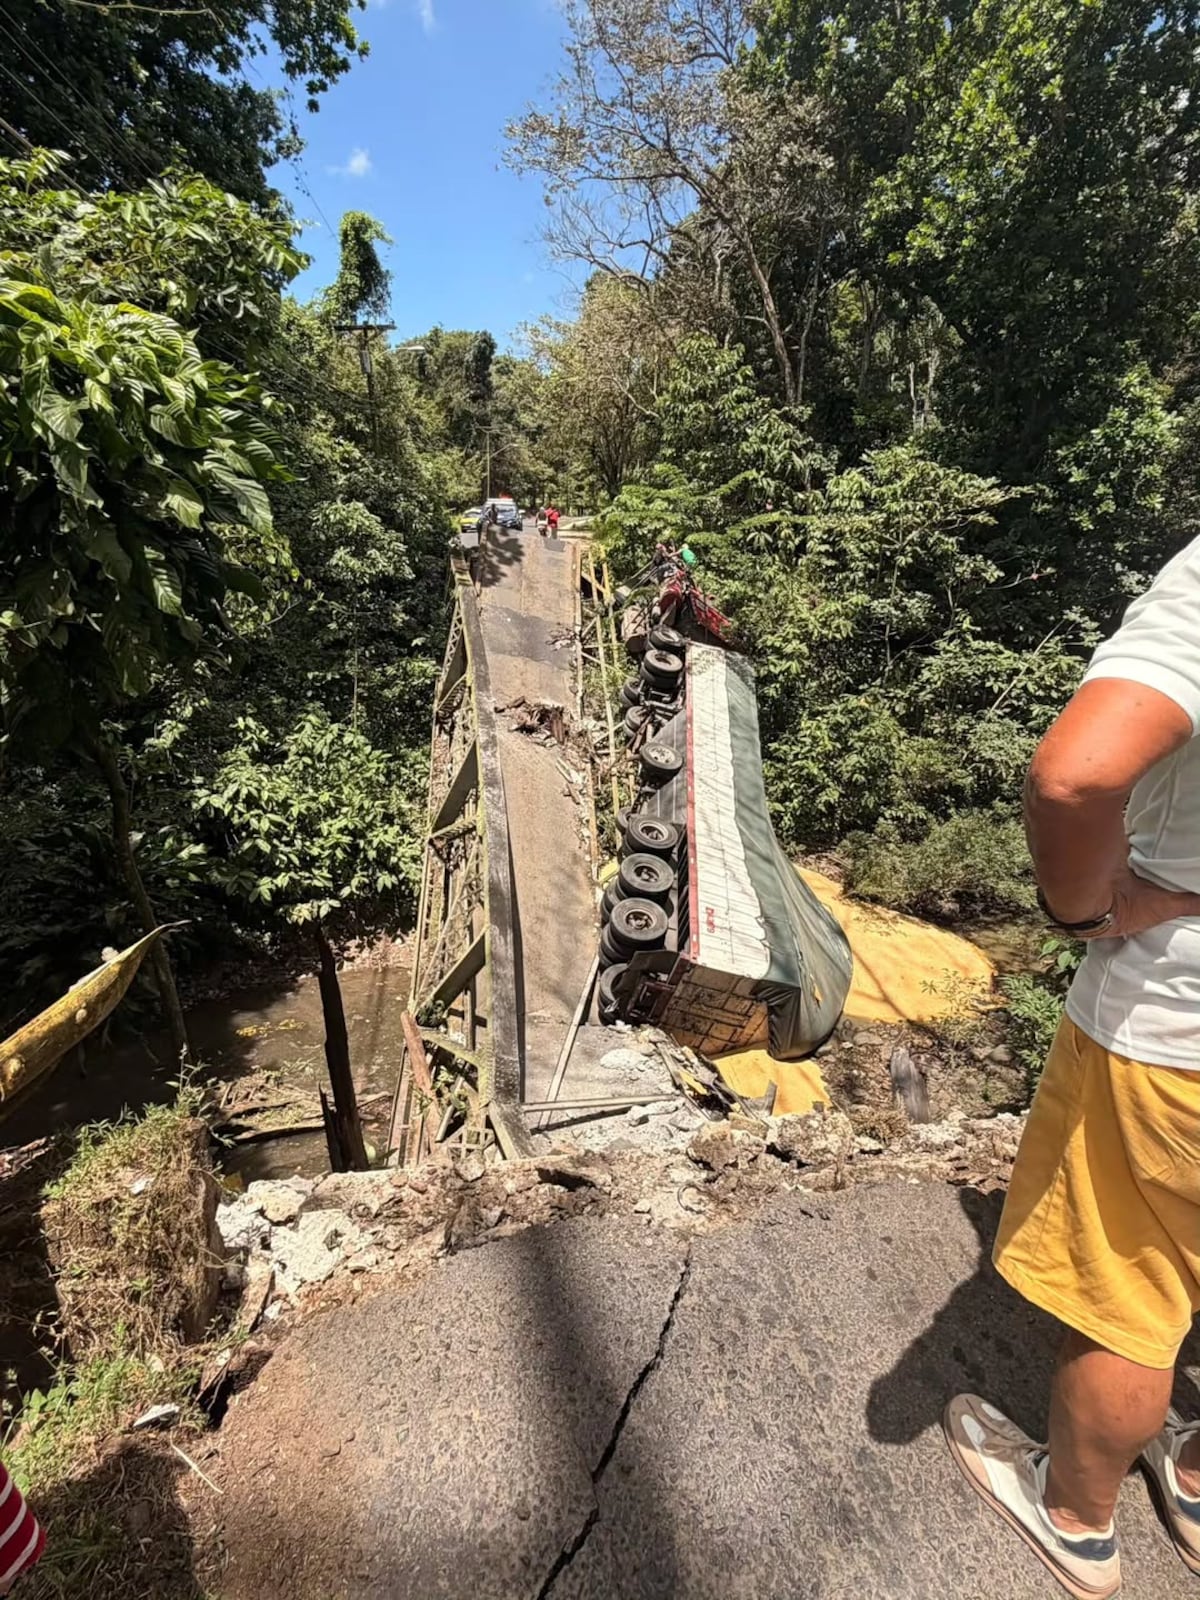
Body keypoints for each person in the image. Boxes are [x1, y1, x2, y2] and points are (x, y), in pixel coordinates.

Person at [946, 536, 1200, 1598]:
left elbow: (1075, 772)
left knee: (1129, 1289)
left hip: (1175, 1035)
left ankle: (1076, 1517)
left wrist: (1084, 910)